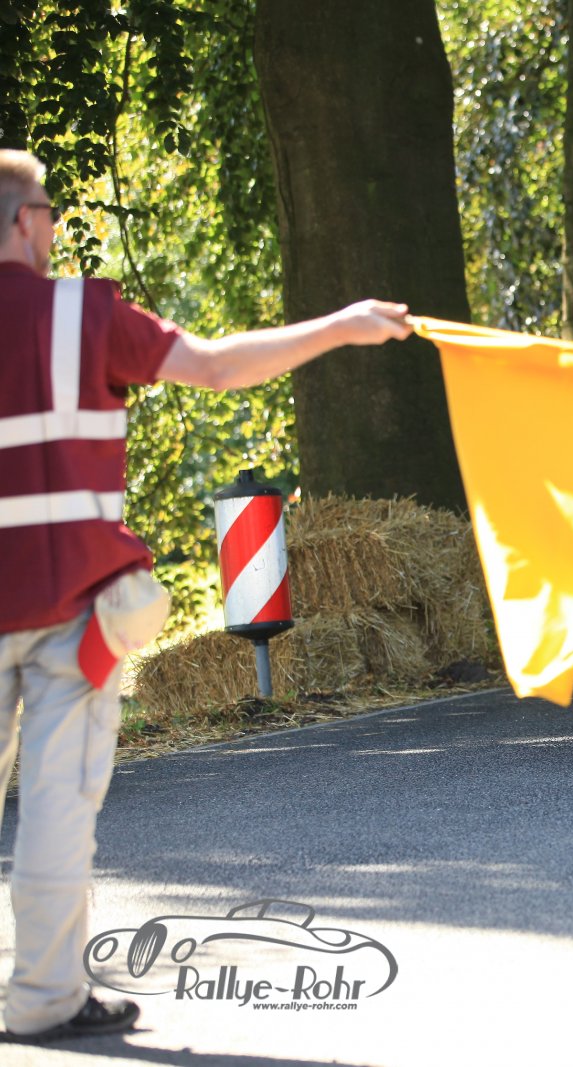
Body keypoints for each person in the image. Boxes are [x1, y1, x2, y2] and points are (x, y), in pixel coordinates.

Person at [0, 148, 412, 1043]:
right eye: (50, 213)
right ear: (24, 223)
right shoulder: (80, 316)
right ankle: (40, 999)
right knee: (57, 808)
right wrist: (342, 325)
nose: (54, 227)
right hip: (69, 606)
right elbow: (219, 367)